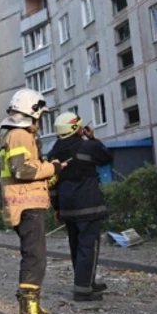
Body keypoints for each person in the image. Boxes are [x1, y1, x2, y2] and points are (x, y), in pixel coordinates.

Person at [0, 88, 67, 314]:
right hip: (26, 206)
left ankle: (35, 310)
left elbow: (26, 173)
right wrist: (52, 168)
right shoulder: (19, 135)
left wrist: (51, 174)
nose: (40, 123)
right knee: (34, 258)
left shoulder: (17, 134)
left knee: (36, 257)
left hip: (27, 203)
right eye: (40, 116)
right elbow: (22, 171)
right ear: (33, 112)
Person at [47, 112, 114, 302]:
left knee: (76, 246)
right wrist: (93, 138)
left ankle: (85, 281)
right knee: (89, 246)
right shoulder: (87, 146)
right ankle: (84, 288)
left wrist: (57, 208)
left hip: (67, 207)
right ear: (77, 128)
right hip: (88, 204)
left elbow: (52, 184)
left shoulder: (53, 153)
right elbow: (107, 158)